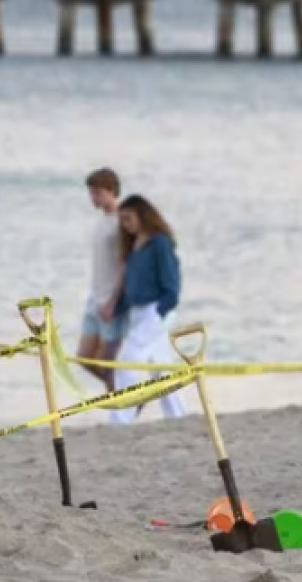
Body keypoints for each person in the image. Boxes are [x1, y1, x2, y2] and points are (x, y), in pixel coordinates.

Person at [109, 195, 188, 425]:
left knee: (127, 361)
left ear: (142, 216)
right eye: (122, 220)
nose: (125, 225)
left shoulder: (159, 243)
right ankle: (178, 416)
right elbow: (133, 286)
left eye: (128, 218)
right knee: (162, 370)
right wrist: (118, 308)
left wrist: (160, 311)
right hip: (138, 312)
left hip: (155, 310)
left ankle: (120, 419)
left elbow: (171, 284)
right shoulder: (134, 247)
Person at [79, 168, 126, 390]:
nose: (93, 198)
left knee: (108, 363)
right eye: (91, 193)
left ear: (111, 191)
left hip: (111, 302)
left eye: (97, 193)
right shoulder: (102, 221)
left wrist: (114, 301)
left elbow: (125, 265)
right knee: (84, 357)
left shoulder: (121, 222)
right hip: (94, 298)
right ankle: (125, 396)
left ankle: (121, 408)